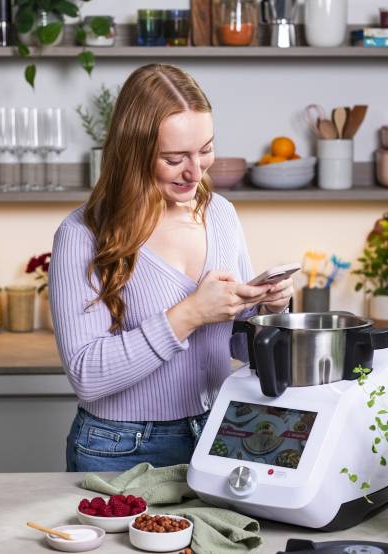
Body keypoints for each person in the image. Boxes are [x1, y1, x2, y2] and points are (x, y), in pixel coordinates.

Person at [49, 64, 294, 472]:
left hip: (220, 429)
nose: (196, 172)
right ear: (134, 153)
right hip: (119, 447)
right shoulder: (83, 233)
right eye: (174, 158)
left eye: (205, 150)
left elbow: (234, 346)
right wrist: (190, 314)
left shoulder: (220, 214)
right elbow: (86, 374)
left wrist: (267, 309)